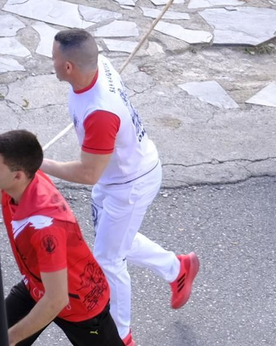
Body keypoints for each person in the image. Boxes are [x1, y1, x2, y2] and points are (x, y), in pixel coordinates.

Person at [42, 29, 198, 346]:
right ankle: (177, 267)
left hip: (127, 186)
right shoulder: (100, 67)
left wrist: (40, 164)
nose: (52, 63)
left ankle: (122, 335)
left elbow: (88, 173)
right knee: (114, 243)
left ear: (69, 67)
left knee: (109, 260)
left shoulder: (99, 114)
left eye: (55, 58)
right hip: (121, 176)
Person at [0, 129, 124, 346]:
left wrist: (11, 338)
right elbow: (3, 193)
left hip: (79, 304)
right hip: (39, 285)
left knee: (4, 338)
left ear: (18, 175)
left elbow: (57, 299)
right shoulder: (24, 182)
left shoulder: (45, 226)